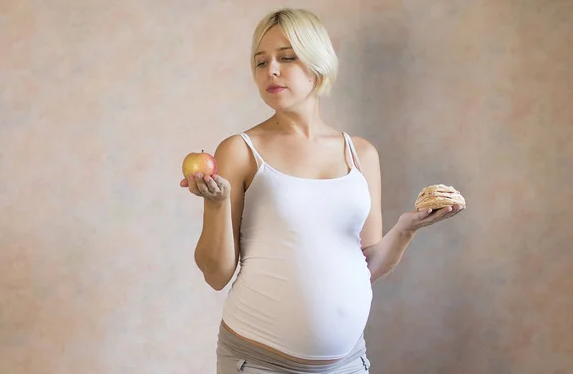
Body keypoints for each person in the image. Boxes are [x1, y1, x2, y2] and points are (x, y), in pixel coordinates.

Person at [180, 7, 465, 374]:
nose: (272, 71)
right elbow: (216, 275)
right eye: (261, 62)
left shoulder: (361, 154)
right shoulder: (239, 150)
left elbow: (369, 264)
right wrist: (217, 205)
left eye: (287, 58)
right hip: (258, 363)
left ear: (318, 64)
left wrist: (407, 228)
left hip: (347, 364)